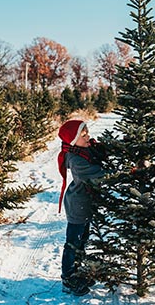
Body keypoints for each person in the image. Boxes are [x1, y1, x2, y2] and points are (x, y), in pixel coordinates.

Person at [57, 119, 106, 296]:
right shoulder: (76, 159)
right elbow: (99, 175)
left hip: (86, 204)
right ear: (72, 140)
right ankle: (68, 278)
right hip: (78, 205)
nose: (87, 137)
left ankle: (77, 273)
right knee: (73, 242)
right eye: (82, 135)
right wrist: (124, 174)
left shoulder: (85, 150)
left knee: (82, 240)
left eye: (87, 133)